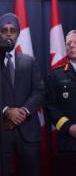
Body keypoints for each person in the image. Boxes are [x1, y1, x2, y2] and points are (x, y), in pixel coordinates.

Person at [0, 13, 44, 176]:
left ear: (18, 34)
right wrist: (6, 110)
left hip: (28, 131)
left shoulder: (29, 61)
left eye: (12, 30)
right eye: (4, 30)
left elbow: (38, 90)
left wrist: (23, 111)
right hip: (2, 132)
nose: (8, 33)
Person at [46, 30, 76, 176]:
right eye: (69, 44)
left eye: (75, 43)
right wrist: (69, 127)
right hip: (68, 143)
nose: (72, 46)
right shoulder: (56, 75)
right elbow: (51, 107)